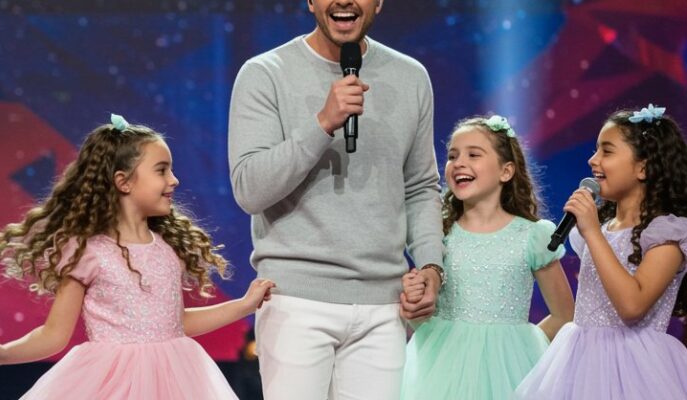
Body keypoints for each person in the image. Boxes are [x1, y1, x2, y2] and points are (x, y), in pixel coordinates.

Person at [0, 114, 274, 400]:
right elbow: (54, 334)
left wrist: (243, 305)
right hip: (111, 384)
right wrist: (4, 353)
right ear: (123, 182)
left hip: (178, 379)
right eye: (162, 170)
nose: (174, 180)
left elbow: (175, 324)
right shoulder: (88, 253)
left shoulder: (167, 248)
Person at [227, 0, 444, 398]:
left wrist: (431, 265)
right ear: (311, 1)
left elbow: (420, 187)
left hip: (384, 305)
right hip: (295, 301)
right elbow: (249, 190)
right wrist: (322, 123)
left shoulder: (411, 76)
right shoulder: (265, 73)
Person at [513, 105, 687, 399]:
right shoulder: (599, 231)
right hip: (579, 363)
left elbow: (632, 307)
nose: (592, 160)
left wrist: (593, 232)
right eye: (596, 150)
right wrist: (594, 232)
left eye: (607, 151)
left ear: (643, 167)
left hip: (637, 372)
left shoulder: (666, 234)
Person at [399, 115, 575, 399]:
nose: (458, 163)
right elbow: (424, 321)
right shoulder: (436, 235)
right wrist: (414, 306)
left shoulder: (533, 236)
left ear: (506, 171)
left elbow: (564, 315)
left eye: (473, 154)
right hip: (442, 370)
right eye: (452, 156)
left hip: (511, 375)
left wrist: (520, 345)